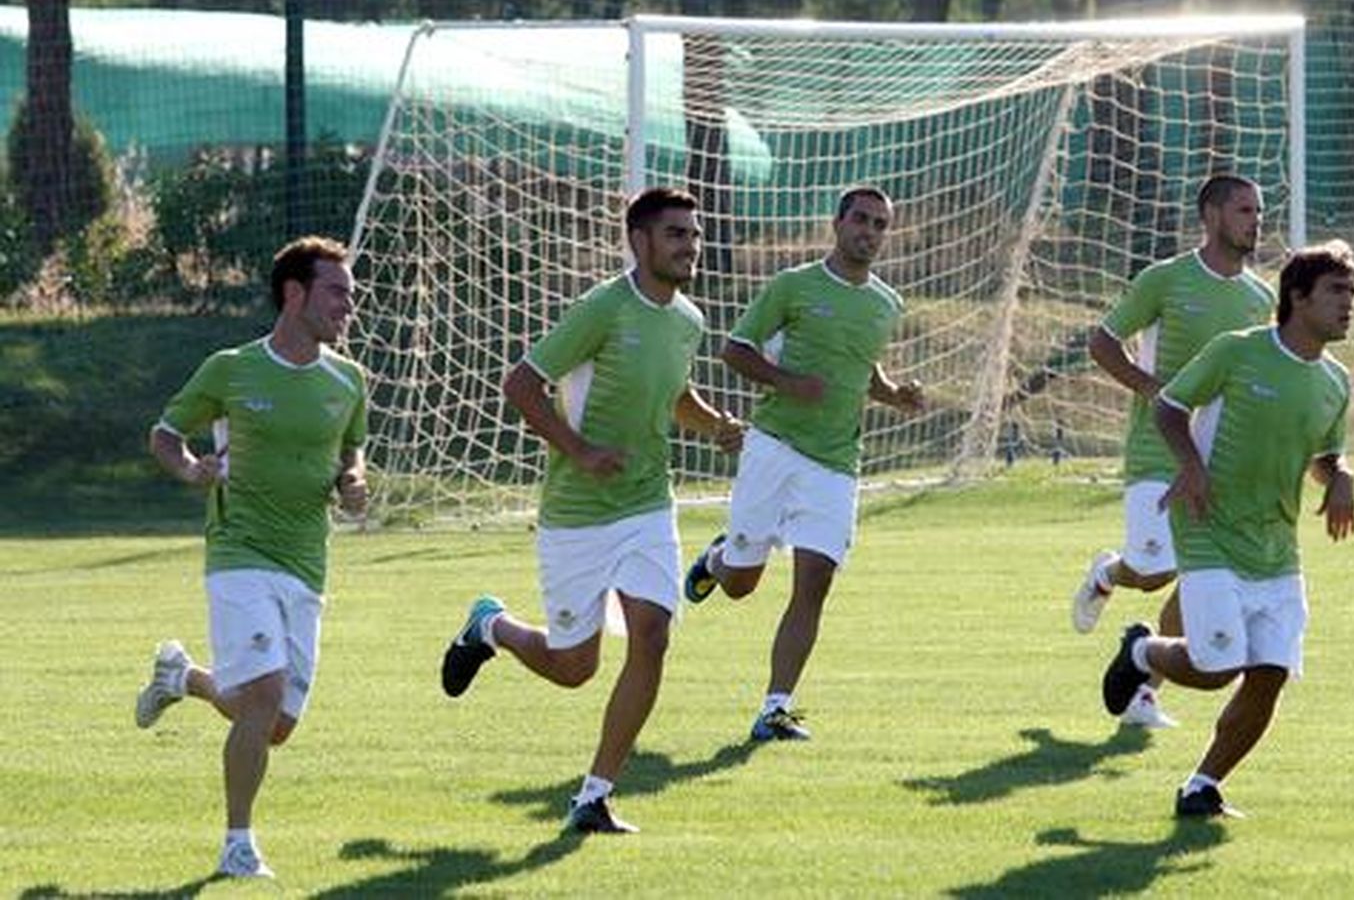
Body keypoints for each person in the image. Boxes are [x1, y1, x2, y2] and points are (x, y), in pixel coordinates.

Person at [438, 187, 744, 835]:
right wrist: (579, 450)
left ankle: (595, 795)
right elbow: (521, 384)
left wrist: (714, 424)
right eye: (675, 234)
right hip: (576, 516)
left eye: (694, 234)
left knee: (652, 636)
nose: (690, 245)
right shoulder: (602, 308)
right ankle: (491, 626)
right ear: (638, 240)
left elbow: (675, 394)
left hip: (646, 505)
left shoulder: (688, 319)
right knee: (574, 668)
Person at [133, 236, 368, 879]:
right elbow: (166, 435)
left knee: (276, 723)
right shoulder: (231, 369)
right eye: (336, 292)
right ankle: (238, 845)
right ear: (294, 294)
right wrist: (191, 470)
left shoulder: (348, 380)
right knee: (264, 693)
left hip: (306, 560)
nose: (348, 306)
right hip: (239, 550)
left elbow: (351, 451)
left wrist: (353, 481)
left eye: (350, 295)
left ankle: (182, 677)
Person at [1099, 239, 1354, 818]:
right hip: (1209, 531)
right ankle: (1142, 651)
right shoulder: (1237, 351)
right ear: (1298, 297)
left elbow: (1325, 456)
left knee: (1269, 674)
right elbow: (1169, 406)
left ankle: (1202, 786)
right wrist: (1191, 466)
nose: (1348, 303)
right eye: (1336, 291)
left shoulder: (1336, 382)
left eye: (1352, 293)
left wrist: (1341, 475)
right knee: (1215, 669)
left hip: (1277, 548)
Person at [682, 185, 925, 743]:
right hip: (773, 447)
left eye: (880, 224)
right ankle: (719, 559)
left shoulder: (886, 304)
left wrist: (894, 395)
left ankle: (775, 708)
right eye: (860, 219)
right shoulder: (793, 285)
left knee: (814, 581)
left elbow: (864, 369)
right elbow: (736, 349)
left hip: (836, 463)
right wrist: (788, 382)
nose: (869, 231)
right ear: (837, 224)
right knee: (741, 583)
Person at [1072, 174, 1276, 729]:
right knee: (1153, 570)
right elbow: (1102, 341)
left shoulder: (1261, 298)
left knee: (1200, 577)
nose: (1255, 221)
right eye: (1244, 210)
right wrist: (1150, 388)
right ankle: (1108, 573)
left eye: (1259, 211)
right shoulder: (1165, 279)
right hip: (1157, 451)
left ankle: (1143, 690)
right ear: (1211, 215)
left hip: (1219, 462)